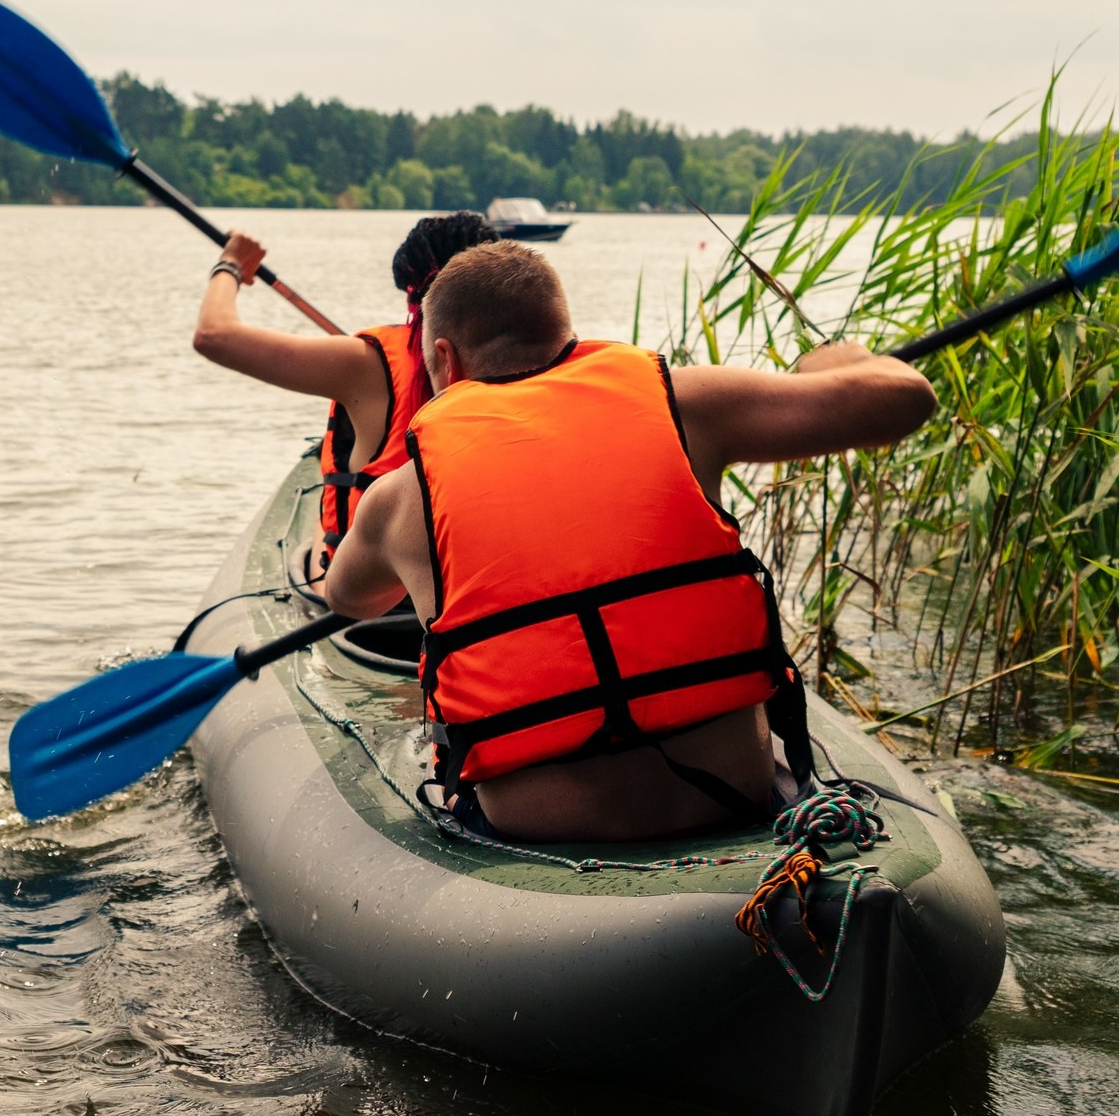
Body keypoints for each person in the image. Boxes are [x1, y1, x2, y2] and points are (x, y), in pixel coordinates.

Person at [324, 242, 937, 843]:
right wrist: (830, 359)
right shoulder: (684, 404)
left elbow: (349, 598)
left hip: (539, 831)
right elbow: (908, 397)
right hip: (728, 796)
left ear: (444, 358)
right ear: (566, 336)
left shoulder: (399, 497)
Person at [193, 212, 497, 572]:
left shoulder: (367, 364)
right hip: (481, 574)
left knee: (324, 544)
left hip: (379, 594)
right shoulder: (537, 357)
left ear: (411, 293)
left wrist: (229, 264)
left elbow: (213, 336)